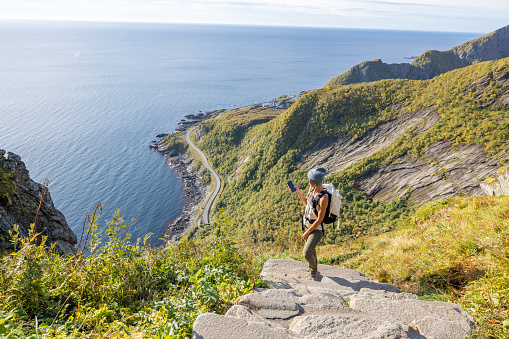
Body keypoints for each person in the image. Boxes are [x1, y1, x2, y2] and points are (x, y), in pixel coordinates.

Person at [289, 167, 328, 281]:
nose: (308, 182)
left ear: (313, 182)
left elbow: (320, 219)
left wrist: (308, 232)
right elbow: (307, 205)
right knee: (312, 250)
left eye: (309, 180)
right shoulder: (312, 191)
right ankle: (315, 270)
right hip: (308, 226)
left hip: (316, 230)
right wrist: (298, 192)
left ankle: (313, 272)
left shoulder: (323, 198)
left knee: (306, 253)